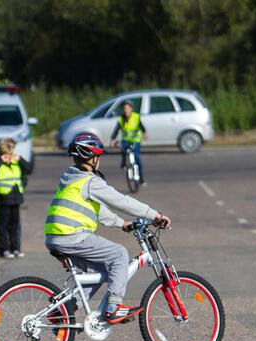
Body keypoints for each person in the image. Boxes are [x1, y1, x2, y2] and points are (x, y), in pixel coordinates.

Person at [44, 133, 170, 324]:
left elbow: (97, 210)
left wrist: (122, 223)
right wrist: (154, 215)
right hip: (71, 235)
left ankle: (64, 309)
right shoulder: (90, 181)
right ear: (91, 157)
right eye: (98, 156)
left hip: (56, 236)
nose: (99, 160)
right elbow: (121, 201)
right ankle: (114, 307)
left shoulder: (72, 179)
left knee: (98, 271)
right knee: (119, 254)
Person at [0, 138, 29, 258]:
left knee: (15, 225)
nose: (9, 156)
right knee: (3, 226)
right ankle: (4, 249)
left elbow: (29, 168)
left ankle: (16, 248)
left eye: (11, 153)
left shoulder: (17, 163)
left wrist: (20, 159)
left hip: (16, 198)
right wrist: (0, 161)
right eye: (6, 154)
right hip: (4, 198)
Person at [110, 100, 148, 185]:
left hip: (135, 139)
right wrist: (112, 139)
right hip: (126, 139)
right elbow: (116, 130)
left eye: (128, 108)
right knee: (123, 148)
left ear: (131, 109)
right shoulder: (121, 119)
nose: (126, 110)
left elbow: (141, 126)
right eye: (124, 108)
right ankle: (123, 163)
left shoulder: (136, 117)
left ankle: (141, 179)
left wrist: (145, 133)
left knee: (137, 158)